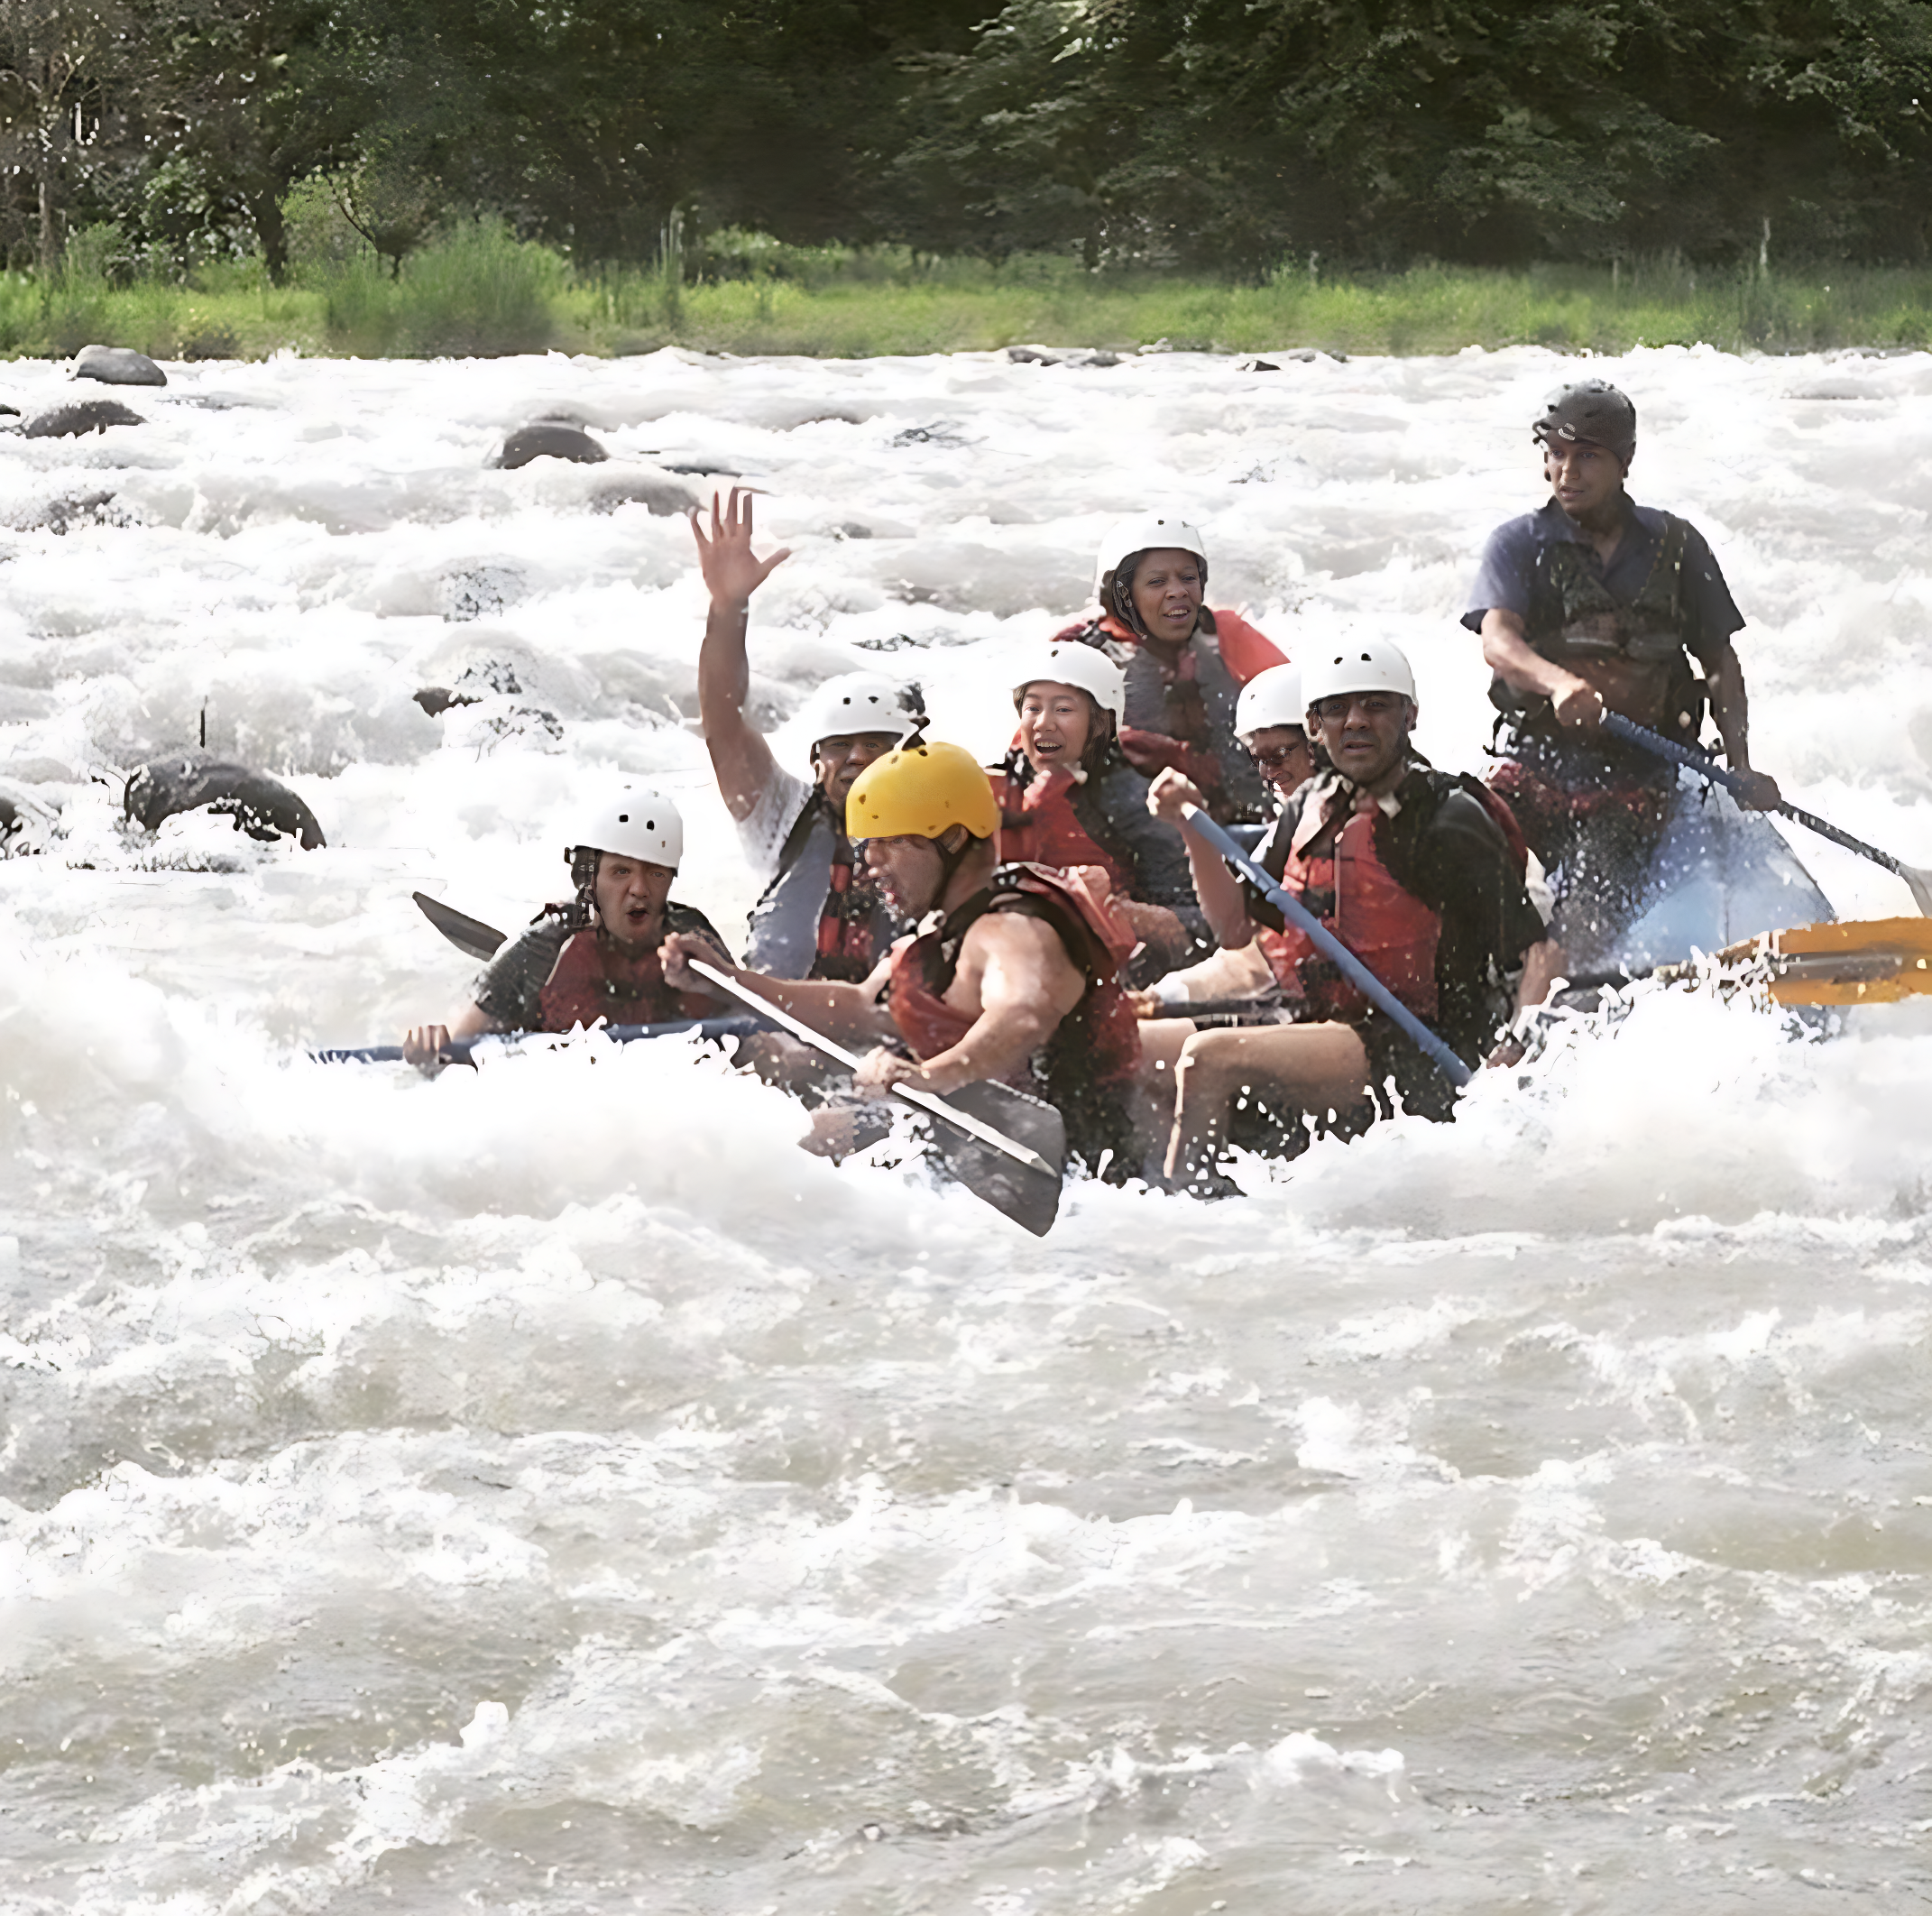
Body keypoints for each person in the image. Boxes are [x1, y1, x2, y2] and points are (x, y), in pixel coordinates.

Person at [1148, 637, 1549, 1193]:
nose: (1355, 722)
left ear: (1410, 716)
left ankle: (1185, 1214)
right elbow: (1233, 928)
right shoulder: (1309, 805)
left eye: (1376, 706)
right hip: (1318, 1022)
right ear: (1314, 726)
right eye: (1337, 709)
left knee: (1207, 1058)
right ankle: (1125, 1180)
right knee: (1137, 1044)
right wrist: (1191, 830)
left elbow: (1539, 953)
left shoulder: (1449, 820)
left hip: (1423, 1045)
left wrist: (1515, 1046)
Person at [663, 737, 1144, 1179]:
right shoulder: (939, 931)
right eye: (868, 846)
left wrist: (929, 1077)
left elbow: (1024, 1013)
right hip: (974, 1139)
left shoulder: (1011, 930)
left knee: (805, 1140)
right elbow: (859, 1007)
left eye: (889, 842)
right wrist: (725, 979)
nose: (870, 865)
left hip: (1073, 1164)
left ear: (953, 839)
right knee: (774, 1131)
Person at [1465, 377, 1781, 967]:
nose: (1567, 471)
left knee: (1589, 904)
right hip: (1535, 760)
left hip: (1634, 774)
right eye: (1556, 455)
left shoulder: (1680, 547)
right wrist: (1558, 682)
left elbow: (1720, 664)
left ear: (1625, 462)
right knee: (1466, 842)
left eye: (1586, 456)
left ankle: (1566, 977)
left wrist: (1740, 765)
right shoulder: (1517, 544)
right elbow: (1498, 641)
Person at [693, 487, 921, 980]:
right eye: (840, 747)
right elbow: (722, 725)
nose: (857, 758)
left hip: (885, 1033)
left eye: (875, 746)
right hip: (781, 1031)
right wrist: (728, 608)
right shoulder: (781, 814)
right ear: (816, 764)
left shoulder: (941, 832)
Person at [401, 788, 730, 1068]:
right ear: (589, 881)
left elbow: (757, 1036)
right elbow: (455, 1055)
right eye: (620, 872)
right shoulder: (544, 947)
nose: (640, 888)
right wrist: (431, 1055)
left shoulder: (694, 939)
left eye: (656, 873)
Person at [994, 640, 1209, 984]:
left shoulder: (1135, 802)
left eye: (1063, 710)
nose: (1043, 724)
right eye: (1032, 709)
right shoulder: (1004, 782)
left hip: (1112, 968)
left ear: (1100, 725)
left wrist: (1114, 913)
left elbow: (1199, 926)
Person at [1057, 511, 1287, 823]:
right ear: (1120, 594)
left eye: (1188, 577)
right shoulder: (1079, 652)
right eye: (1156, 581)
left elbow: (1302, 709)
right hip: (1136, 829)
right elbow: (1038, 755)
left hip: (1242, 815)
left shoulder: (1224, 632)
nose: (1178, 591)